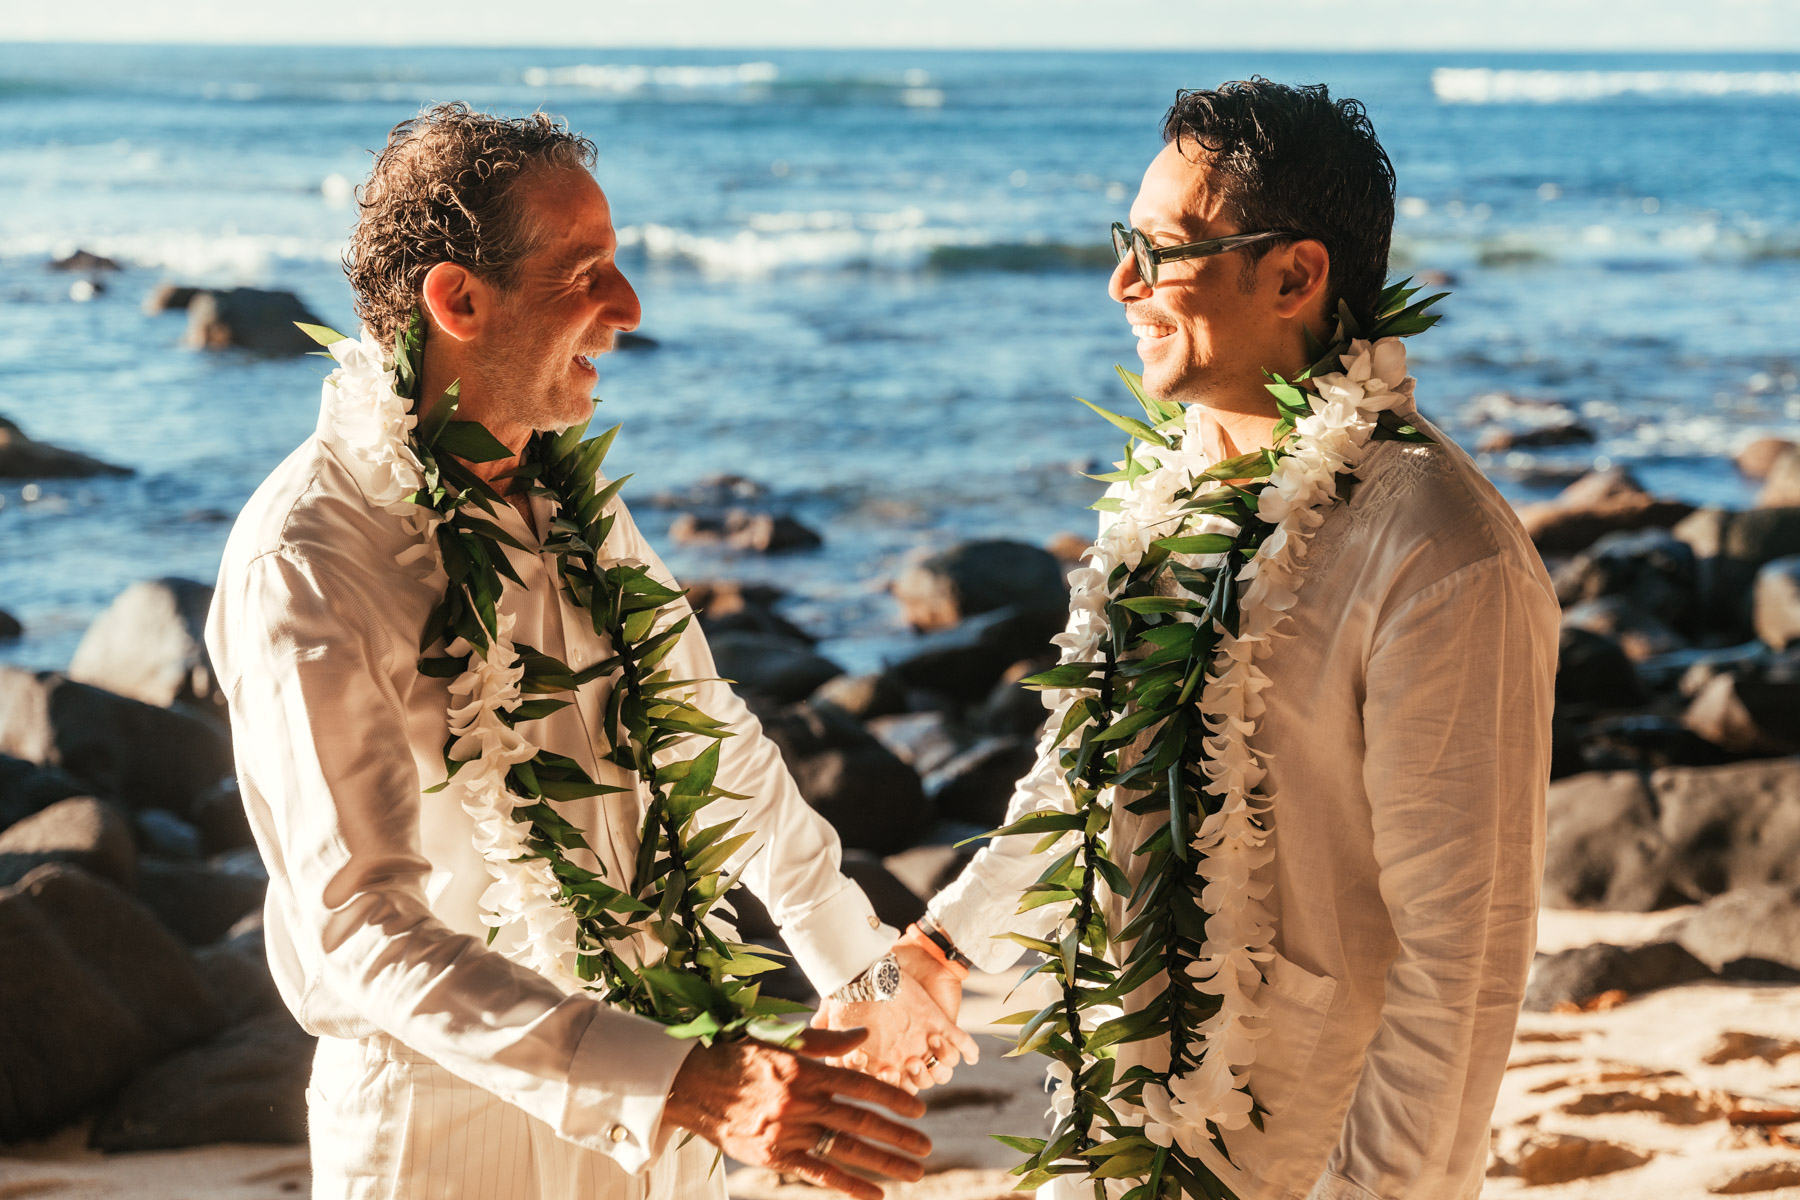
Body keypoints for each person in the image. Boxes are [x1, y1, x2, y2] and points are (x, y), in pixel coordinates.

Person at [204, 103, 973, 1200]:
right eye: (586, 272)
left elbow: (718, 740)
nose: (630, 306)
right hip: (443, 1133)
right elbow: (364, 928)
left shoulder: (571, 502)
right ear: (458, 300)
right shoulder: (312, 556)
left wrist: (862, 973)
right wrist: (682, 1085)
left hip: (658, 1099)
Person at [845, 79, 1559, 1200]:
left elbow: (1463, 966)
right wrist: (939, 948)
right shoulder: (1164, 498)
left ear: (1295, 276)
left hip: (1303, 1144)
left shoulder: (1441, 554)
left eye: (1164, 250)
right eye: (1124, 240)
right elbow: (1086, 772)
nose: (1121, 282)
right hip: (1115, 1100)